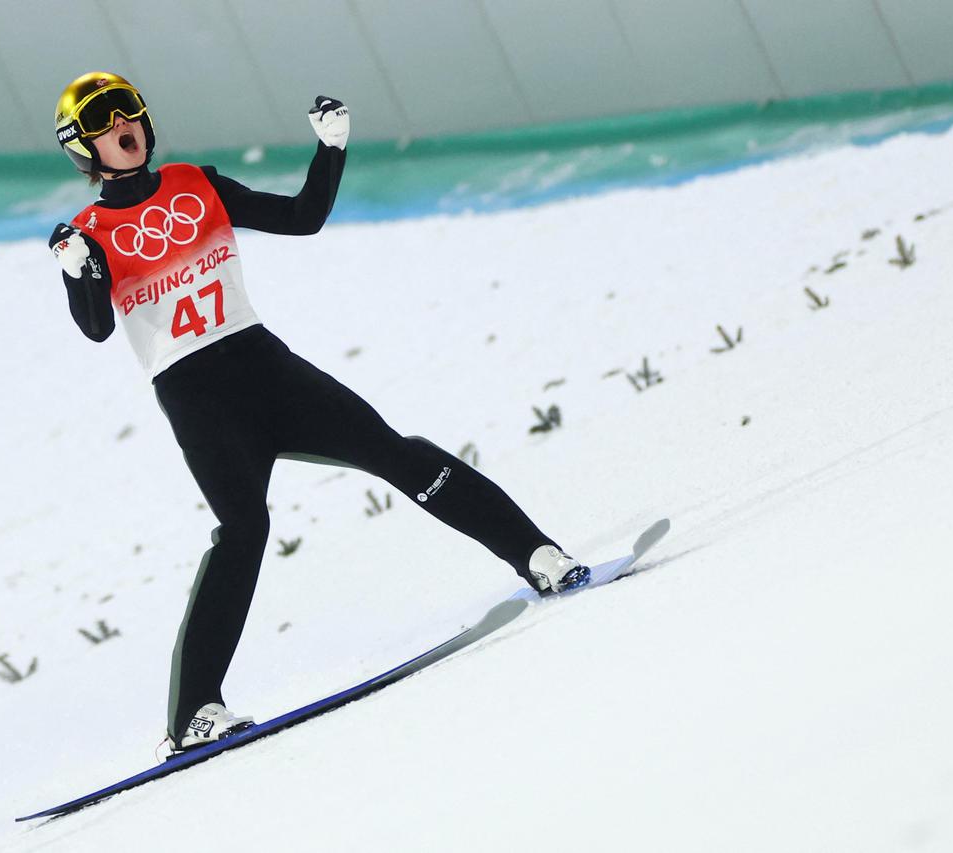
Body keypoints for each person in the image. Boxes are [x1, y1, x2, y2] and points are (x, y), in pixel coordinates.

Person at [48, 72, 589, 756]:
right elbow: (96, 327)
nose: (124, 120)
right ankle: (192, 715)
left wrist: (330, 150)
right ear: (83, 147)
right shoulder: (88, 233)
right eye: (104, 117)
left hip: (263, 365)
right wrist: (78, 272)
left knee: (394, 451)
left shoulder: (195, 181)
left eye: (130, 107)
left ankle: (538, 554)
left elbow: (301, 216)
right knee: (244, 530)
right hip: (195, 394)